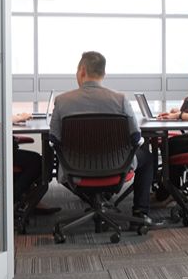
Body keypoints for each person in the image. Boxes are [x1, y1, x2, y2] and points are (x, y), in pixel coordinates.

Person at [50, 51, 155, 221]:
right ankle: (140, 214)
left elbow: (54, 138)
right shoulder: (120, 100)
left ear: (82, 70)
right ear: (103, 74)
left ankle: (94, 201)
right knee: (148, 159)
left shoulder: (62, 100)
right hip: (116, 165)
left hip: (75, 167)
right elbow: (135, 137)